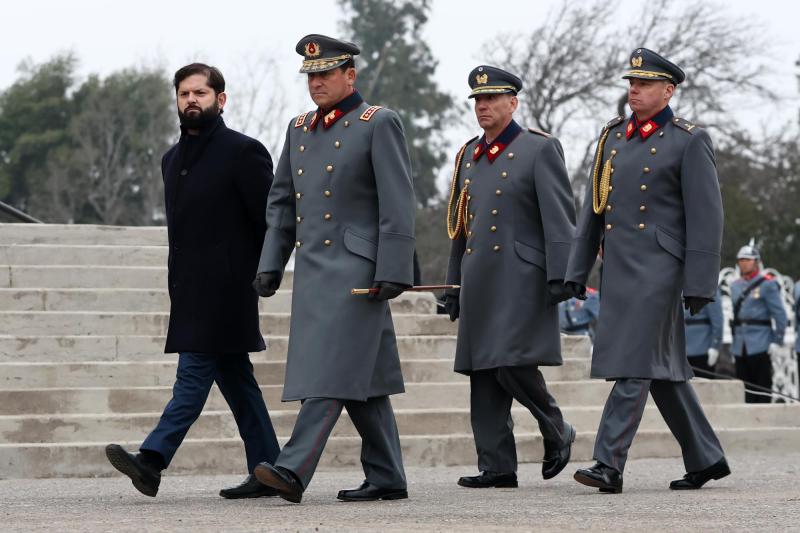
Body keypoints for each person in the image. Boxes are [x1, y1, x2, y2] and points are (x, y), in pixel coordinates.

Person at [251, 34, 415, 504]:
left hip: (359, 269)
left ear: (350, 75)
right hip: (315, 268)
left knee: (329, 370)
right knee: (364, 379)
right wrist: (271, 262)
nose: (317, 82)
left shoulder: (377, 122)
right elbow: (282, 201)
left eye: (325, 74)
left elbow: (397, 200)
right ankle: (387, 475)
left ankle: (292, 468)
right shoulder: (298, 127)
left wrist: (394, 267)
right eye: (311, 75)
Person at [105, 63, 280, 498]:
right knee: (238, 382)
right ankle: (271, 470)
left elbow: (271, 221)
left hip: (228, 291)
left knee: (193, 376)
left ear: (221, 99)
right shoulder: (171, 159)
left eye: (200, 93)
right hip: (188, 291)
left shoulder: (245, 152)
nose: (191, 101)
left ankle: (152, 460)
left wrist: (266, 271)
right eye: (184, 94)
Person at [565, 48, 730, 494]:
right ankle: (706, 457)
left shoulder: (688, 139)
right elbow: (593, 210)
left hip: (661, 270)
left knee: (635, 362)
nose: (633, 90)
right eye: (631, 83)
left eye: (644, 84)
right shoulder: (612, 137)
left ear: (668, 90)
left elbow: (706, 216)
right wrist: (576, 270)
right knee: (661, 371)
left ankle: (608, 463)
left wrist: (700, 281)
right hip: (618, 268)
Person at [443, 65, 577, 489]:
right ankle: (496, 466)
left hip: (522, 276)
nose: (482, 106)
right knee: (483, 371)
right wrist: (453, 284)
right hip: (479, 275)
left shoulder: (539, 148)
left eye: (491, 99)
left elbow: (560, 218)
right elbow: (459, 227)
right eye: (478, 101)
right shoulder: (468, 154)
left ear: (512, 103)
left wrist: (562, 275)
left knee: (510, 361)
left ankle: (556, 426)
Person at [730, 241, 788, 403]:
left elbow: (780, 315)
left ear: (756, 262)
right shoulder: (735, 286)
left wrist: (777, 340)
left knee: (762, 387)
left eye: (748, 260)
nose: (743, 263)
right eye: (741, 260)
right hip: (740, 346)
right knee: (744, 389)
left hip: (760, 342)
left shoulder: (768, 284)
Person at [684, 288, 724, 377]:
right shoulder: (682, 287)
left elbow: (717, 321)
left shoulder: (709, 289)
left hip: (702, 348)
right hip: (683, 350)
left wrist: (715, 347)